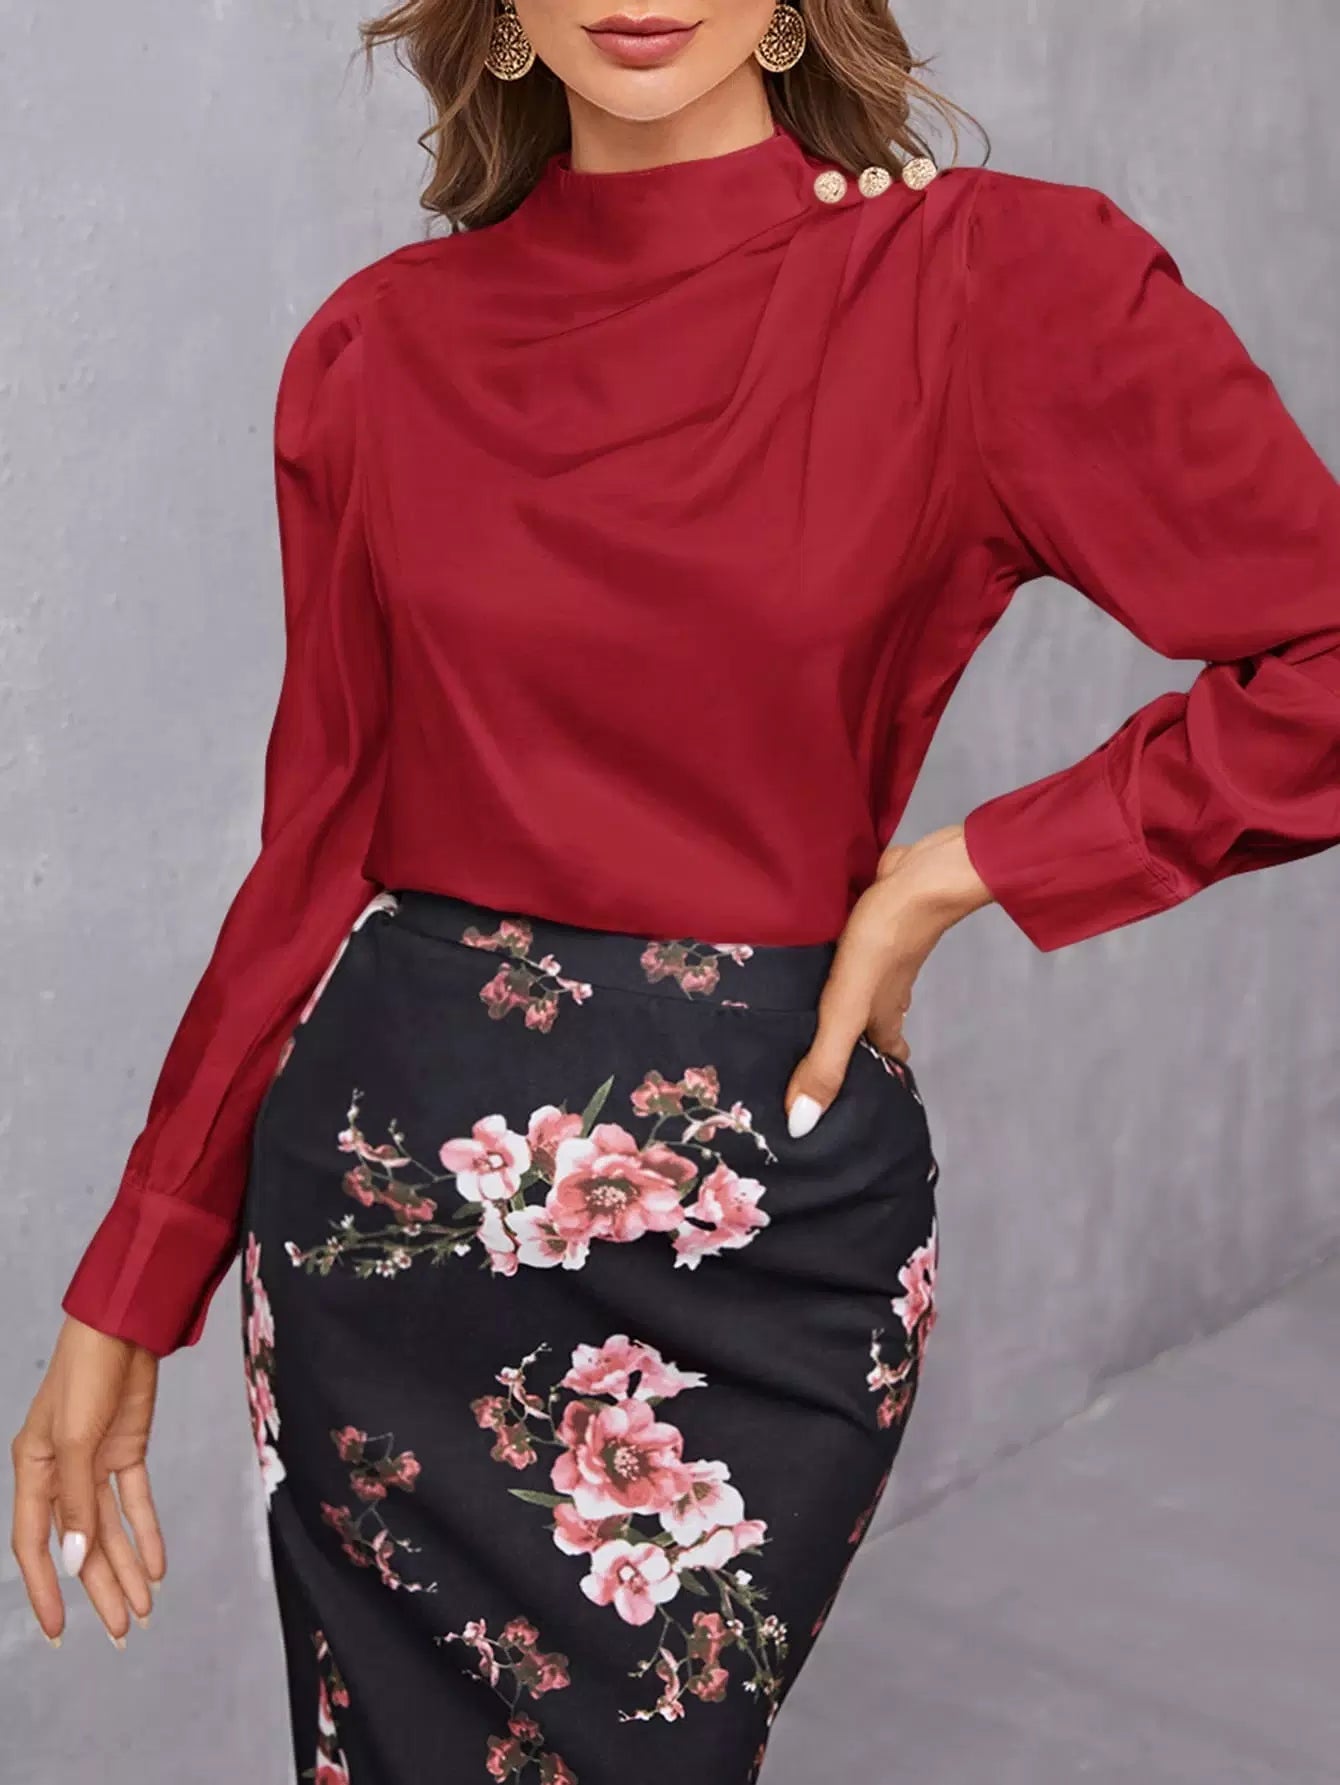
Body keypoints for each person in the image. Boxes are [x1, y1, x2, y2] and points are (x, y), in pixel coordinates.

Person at [11, 1, 1340, 1779]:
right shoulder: (377, 350)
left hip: (761, 1245)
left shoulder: (986, 283)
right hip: (391, 1232)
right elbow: (316, 843)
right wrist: (135, 1270)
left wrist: (962, 871)